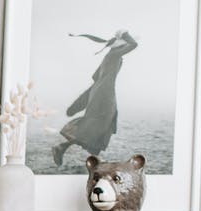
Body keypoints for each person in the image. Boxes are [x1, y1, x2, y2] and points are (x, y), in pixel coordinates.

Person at [52, 29, 138, 166]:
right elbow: (134, 44)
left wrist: (79, 103)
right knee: (100, 124)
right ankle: (63, 147)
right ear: (121, 46)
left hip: (101, 92)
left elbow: (96, 79)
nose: (126, 47)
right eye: (124, 45)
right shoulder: (114, 55)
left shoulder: (111, 56)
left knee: (101, 124)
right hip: (105, 93)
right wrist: (126, 34)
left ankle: (89, 157)